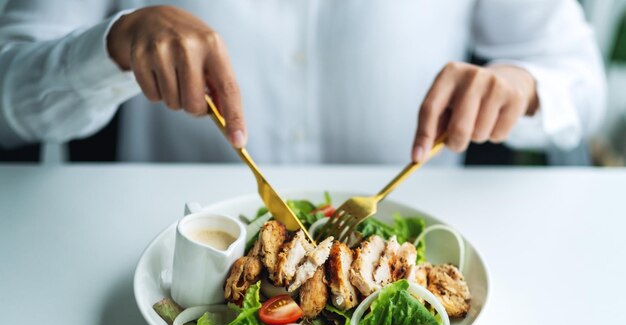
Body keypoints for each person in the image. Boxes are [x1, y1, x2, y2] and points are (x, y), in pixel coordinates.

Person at [0, 0, 606, 165]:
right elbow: (9, 94)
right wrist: (111, 45)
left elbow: (580, 81)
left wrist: (521, 86)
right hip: (159, 272)